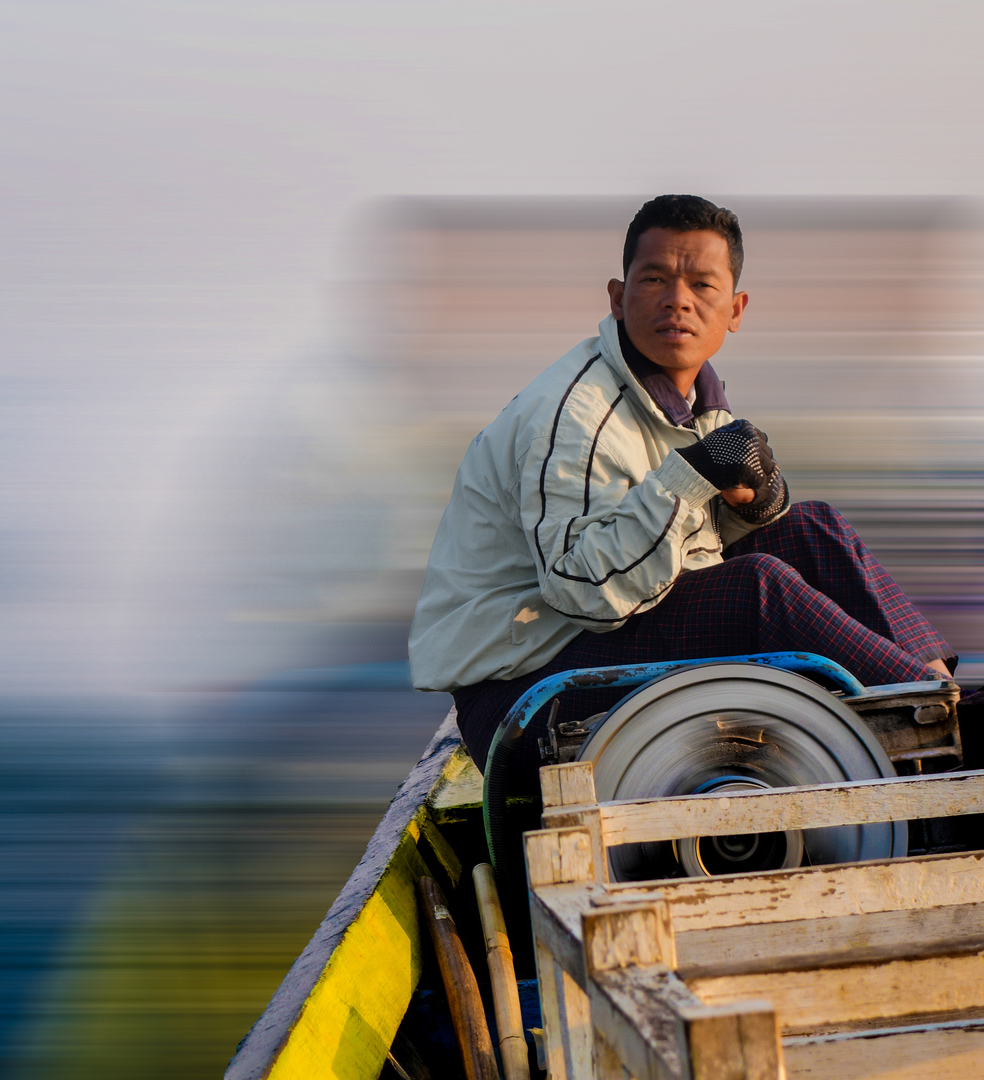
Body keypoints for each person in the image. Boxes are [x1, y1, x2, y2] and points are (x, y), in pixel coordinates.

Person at [408, 194, 954, 778]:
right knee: (756, 589)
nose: (678, 301)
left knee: (811, 527)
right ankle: (940, 722)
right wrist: (690, 477)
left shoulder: (690, 399)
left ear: (736, 308)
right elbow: (583, 592)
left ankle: (940, 694)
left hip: (583, 645)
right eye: (655, 280)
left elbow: (691, 546)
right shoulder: (574, 418)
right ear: (618, 298)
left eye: (702, 285)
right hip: (523, 695)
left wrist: (751, 506)